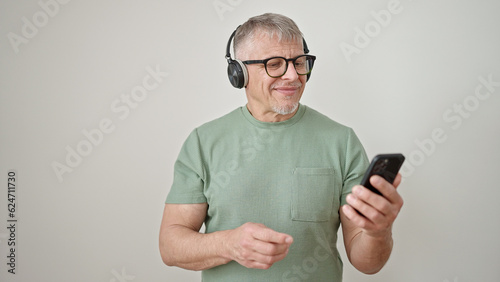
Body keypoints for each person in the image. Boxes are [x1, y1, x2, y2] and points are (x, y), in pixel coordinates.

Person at [159, 13, 404, 281]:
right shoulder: (202, 142)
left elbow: (367, 263)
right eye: (274, 64)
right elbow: (170, 246)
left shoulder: (342, 142)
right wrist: (228, 244)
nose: (293, 76)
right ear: (238, 72)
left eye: (299, 62)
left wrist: (379, 231)